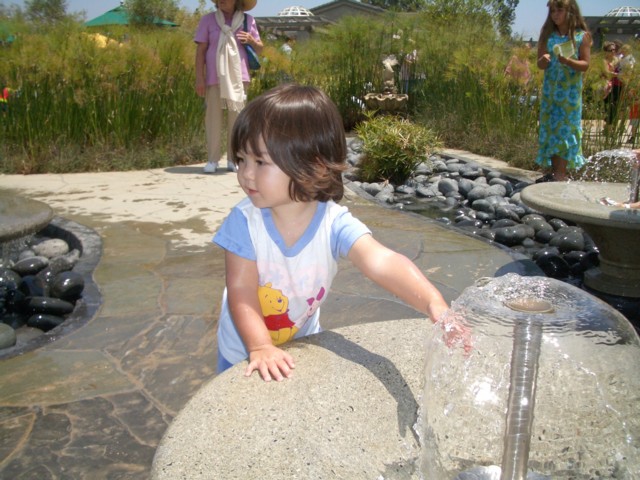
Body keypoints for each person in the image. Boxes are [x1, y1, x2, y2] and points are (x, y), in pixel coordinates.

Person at [213, 84, 471, 382]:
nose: (245, 173)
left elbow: (381, 261)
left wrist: (433, 303)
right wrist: (259, 346)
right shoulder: (245, 222)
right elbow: (241, 291)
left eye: (260, 162)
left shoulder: (332, 223)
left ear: (313, 164)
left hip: (302, 339)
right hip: (243, 348)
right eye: (241, 160)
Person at [194, 0, 263, 174]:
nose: (221, 0)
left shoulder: (248, 20)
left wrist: (251, 40)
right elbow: (201, 51)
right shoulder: (208, 20)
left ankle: (234, 159)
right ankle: (212, 159)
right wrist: (199, 78)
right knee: (213, 119)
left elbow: (260, 48)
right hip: (213, 77)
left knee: (237, 119)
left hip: (239, 78)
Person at [535, 0, 591, 183]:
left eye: (559, 10)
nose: (555, 15)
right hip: (551, 94)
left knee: (567, 131)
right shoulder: (548, 35)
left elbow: (585, 65)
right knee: (551, 129)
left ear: (570, 11)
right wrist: (544, 60)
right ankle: (554, 172)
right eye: (552, 11)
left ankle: (561, 173)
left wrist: (568, 61)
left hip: (570, 96)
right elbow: (540, 63)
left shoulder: (581, 36)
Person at [602, 41, 621, 129]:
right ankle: (608, 124)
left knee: (615, 104)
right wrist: (617, 74)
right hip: (607, 85)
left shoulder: (617, 59)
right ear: (606, 51)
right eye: (610, 50)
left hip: (617, 84)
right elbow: (607, 73)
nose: (613, 51)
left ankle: (610, 124)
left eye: (614, 49)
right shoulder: (604, 61)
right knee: (609, 105)